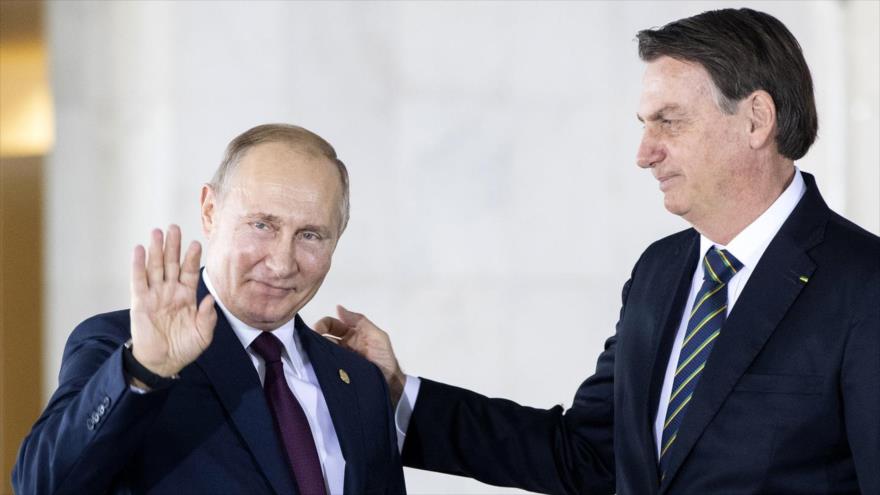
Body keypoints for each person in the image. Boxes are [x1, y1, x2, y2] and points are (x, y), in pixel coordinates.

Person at [316, 9, 879, 495]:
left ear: (756, 119)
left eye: (669, 122)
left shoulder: (864, 285)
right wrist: (396, 393)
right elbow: (585, 456)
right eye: (643, 124)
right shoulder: (661, 272)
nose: (644, 153)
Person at [13, 124, 406, 494]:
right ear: (209, 211)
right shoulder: (122, 347)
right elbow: (41, 485)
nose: (282, 263)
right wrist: (144, 370)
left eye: (310, 235)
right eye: (262, 225)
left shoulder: (359, 381)